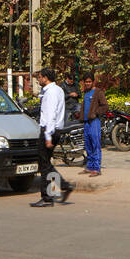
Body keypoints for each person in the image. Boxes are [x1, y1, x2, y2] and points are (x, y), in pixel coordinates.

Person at [31, 68, 74, 207]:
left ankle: (47, 197)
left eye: (40, 78)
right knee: (46, 163)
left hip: (49, 131)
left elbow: (50, 115)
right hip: (55, 130)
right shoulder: (57, 90)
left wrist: (47, 136)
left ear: (45, 78)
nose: (38, 80)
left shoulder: (51, 93)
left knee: (43, 164)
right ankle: (59, 187)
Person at [78, 74, 108, 176]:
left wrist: (96, 113)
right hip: (86, 122)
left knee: (95, 145)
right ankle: (90, 167)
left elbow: (105, 106)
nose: (87, 83)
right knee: (88, 145)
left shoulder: (98, 92)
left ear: (93, 82)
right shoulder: (86, 93)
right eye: (86, 82)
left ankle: (96, 168)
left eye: (89, 82)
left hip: (94, 122)